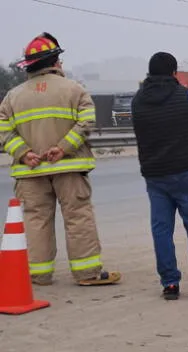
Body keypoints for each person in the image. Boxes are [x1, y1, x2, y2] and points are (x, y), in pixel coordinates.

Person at [0, 32, 121, 287]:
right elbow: (87, 121)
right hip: (69, 168)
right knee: (78, 217)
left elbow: (4, 129)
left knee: (35, 220)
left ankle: (38, 274)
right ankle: (87, 273)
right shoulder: (75, 89)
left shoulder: (12, 97)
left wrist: (23, 153)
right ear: (56, 61)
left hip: (30, 171)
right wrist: (63, 148)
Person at [131, 52, 188, 300]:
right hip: (187, 171)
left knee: (161, 229)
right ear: (174, 73)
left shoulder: (138, 100)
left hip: (155, 173)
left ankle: (170, 283)